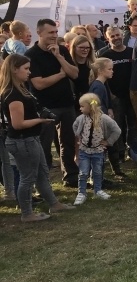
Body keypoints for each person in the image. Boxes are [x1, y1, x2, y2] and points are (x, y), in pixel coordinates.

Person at [0, 54, 74, 221]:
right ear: (14, 69)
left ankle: (54, 204)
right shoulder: (13, 94)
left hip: (30, 138)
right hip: (22, 140)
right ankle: (27, 213)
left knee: (41, 172)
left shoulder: (21, 88)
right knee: (28, 177)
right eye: (26, 69)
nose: (29, 72)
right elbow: (17, 124)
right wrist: (41, 120)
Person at [25, 18, 79, 186]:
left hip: (66, 104)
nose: (54, 35)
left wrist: (59, 57)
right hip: (45, 107)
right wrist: (62, 74)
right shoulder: (31, 55)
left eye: (56, 32)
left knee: (68, 142)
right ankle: (42, 181)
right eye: (50, 32)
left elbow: (75, 74)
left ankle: (70, 177)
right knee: (44, 146)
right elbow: (38, 84)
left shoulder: (62, 49)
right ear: (39, 33)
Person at [71, 92, 120, 206]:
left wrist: (108, 141)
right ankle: (81, 193)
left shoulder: (104, 118)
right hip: (84, 151)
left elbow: (116, 130)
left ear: (90, 106)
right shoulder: (81, 118)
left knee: (97, 172)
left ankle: (98, 190)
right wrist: (79, 136)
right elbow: (74, 126)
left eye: (82, 106)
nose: (80, 108)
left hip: (98, 151)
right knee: (83, 173)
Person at [97, 27, 136, 163]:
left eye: (118, 35)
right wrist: (110, 95)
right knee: (117, 127)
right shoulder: (105, 56)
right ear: (107, 38)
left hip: (132, 96)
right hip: (115, 97)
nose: (116, 38)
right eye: (112, 36)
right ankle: (119, 154)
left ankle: (133, 151)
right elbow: (102, 78)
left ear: (122, 35)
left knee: (133, 125)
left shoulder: (132, 52)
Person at [88, 57, 125, 178]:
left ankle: (112, 172)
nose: (112, 71)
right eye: (109, 69)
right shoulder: (98, 86)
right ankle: (98, 178)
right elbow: (93, 102)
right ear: (100, 71)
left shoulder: (101, 85)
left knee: (109, 146)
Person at [70, 35, 96, 105]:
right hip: (74, 105)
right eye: (81, 47)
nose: (85, 50)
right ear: (74, 48)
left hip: (92, 103)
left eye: (87, 48)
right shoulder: (69, 66)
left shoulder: (94, 66)